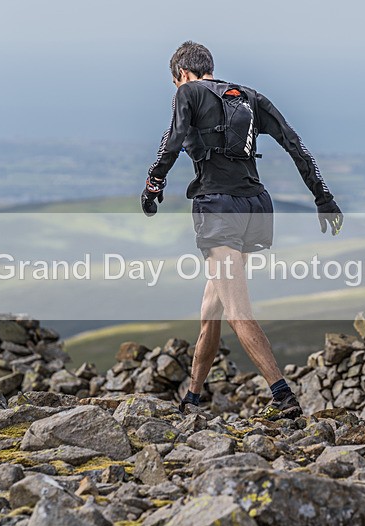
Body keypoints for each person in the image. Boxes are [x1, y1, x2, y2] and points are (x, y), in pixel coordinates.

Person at [141, 41, 343, 420]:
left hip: (218, 208)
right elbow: (295, 145)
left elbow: (172, 140)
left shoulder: (187, 92)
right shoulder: (249, 96)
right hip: (255, 207)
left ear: (181, 75)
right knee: (211, 311)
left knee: (236, 310)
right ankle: (193, 398)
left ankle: (283, 395)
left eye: (176, 83)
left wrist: (153, 184)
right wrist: (323, 198)